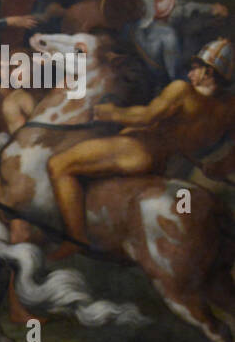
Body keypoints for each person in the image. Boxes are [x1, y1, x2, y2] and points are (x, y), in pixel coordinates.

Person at [48, 38, 235, 250]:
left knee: (58, 164)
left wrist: (111, 112)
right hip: (174, 165)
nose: (190, 74)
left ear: (209, 72)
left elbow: (147, 116)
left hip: (142, 151)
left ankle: (75, 240)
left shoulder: (181, 90)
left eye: (195, 69)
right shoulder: (230, 107)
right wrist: (214, 167)